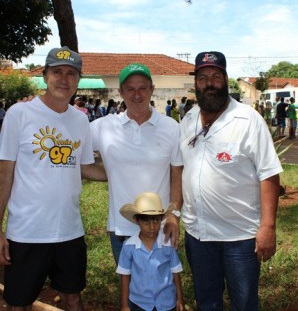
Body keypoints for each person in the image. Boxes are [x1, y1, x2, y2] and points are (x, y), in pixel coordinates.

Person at [0, 46, 107, 311]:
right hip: (26, 232)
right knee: (19, 303)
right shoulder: (19, 114)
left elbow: (85, 168)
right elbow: (5, 173)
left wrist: (128, 174)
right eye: (57, 72)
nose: (64, 78)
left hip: (69, 230)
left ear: (78, 80)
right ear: (45, 76)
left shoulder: (80, 121)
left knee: (72, 297)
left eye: (71, 73)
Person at [180, 51, 283, 311]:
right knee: (207, 302)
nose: (209, 83)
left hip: (240, 237)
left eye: (216, 76)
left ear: (226, 80)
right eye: (203, 78)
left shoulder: (249, 121)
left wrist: (268, 227)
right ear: (196, 84)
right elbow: (181, 168)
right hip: (198, 235)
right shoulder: (189, 120)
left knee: (245, 303)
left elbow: (269, 173)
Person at [90, 63, 183, 264]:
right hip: (121, 229)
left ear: (152, 89)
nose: (137, 94)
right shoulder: (103, 127)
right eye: (130, 89)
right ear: (121, 92)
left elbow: (177, 175)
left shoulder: (171, 128)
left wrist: (174, 215)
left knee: (163, 289)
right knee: (128, 290)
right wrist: (112, 174)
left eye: (143, 88)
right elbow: (74, 156)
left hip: (160, 228)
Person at [116, 192, 184, 311]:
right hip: (139, 303)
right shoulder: (129, 246)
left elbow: (175, 272)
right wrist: (124, 305)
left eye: (156, 221)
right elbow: (125, 276)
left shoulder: (168, 244)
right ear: (137, 220)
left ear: (161, 219)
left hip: (166, 302)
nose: (152, 227)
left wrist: (180, 298)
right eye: (146, 221)